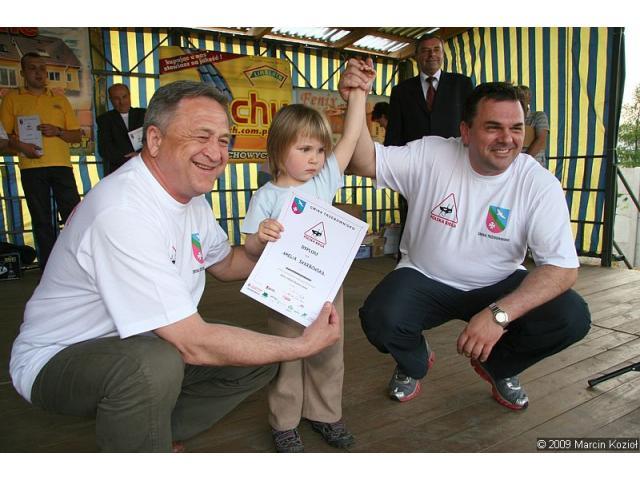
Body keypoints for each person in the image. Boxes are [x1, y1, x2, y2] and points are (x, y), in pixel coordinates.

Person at [9, 80, 342, 453]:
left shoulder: (191, 199)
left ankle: (151, 432)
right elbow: (193, 343)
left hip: (143, 340)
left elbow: (229, 264)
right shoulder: (124, 210)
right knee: (154, 365)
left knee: (258, 360)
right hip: (60, 354)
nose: (215, 153)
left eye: (223, 140)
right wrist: (303, 345)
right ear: (154, 140)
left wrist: (278, 248)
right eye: (201, 136)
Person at [339, 61, 591, 411]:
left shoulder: (538, 183)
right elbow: (363, 162)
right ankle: (414, 362)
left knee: (571, 316)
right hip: (425, 277)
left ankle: (499, 367)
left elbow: (562, 268)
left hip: (499, 283)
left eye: (516, 128)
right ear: (466, 131)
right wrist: (357, 97)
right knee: (380, 318)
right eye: (493, 127)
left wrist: (499, 315)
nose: (507, 139)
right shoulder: (432, 153)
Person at [241, 64, 375, 453]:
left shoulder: (323, 181)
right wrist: (260, 237)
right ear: (279, 150)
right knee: (287, 356)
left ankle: (325, 415)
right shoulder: (266, 197)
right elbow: (249, 248)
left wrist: (359, 95)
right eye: (304, 149)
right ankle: (284, 423)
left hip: (327, 290)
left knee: (329, 353)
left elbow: (351, 136)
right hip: (282, 292)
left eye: (319, 150)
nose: (315, 158)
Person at [0, 52, 82, 270]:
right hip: (31, 168)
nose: (39, 73)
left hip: (61, 166)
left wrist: (58, 131)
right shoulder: (12, 98)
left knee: (74, 216)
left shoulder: (59, 99)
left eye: (42, 68)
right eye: (33, 68)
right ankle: (50, 271)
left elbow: (76, 136)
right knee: (42, 221)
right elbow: (2, 138)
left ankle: (79, 267)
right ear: (22, 73)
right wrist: (22, 147)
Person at [384, 33, 474, 146]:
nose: (432, 54)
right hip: (414, 156)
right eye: (425, 50)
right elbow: (393, 135)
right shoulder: (400, 91)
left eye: (436, 49)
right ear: (416, 56)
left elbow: (472, 124)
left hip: (454, 154)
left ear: (443, 54)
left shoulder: (462, 84)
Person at [97, 83, 147, 176]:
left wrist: (140, 155)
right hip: (118, 171)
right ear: (110, 100)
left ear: (129, 96)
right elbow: (104, 149)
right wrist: (129, 158)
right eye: (117, 98)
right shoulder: (104, 119)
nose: (122, 102)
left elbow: (154, 140)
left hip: (143, 168)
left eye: (124, 97)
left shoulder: (144, 114)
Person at [517, 85, 550, 167]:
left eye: (523, 97)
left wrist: (523, 162)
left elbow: (541, 139)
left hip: (534, 164)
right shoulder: (509, 119)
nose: (520, 100)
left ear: (529, 100)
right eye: (518, 97)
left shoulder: (538, 116)